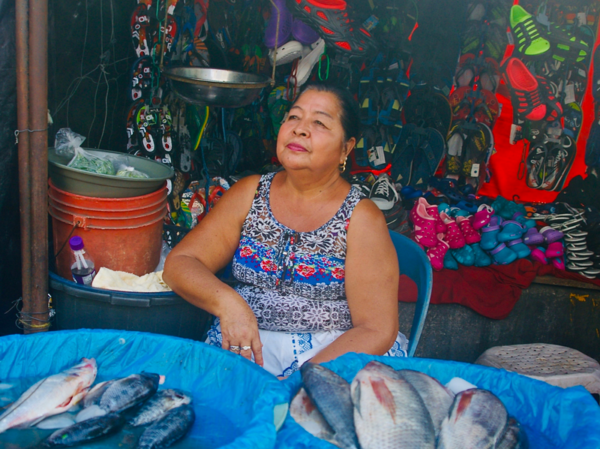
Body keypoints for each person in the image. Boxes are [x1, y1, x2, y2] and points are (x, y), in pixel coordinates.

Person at [163, 83, 407, 377]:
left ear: (346, 148)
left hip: (331, 359)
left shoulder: (361, 218)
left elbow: (376, 329)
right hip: (243, 346)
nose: (300, 129)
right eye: (293, 117)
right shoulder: (250, 193)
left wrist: (302, 379)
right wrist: (229, 304)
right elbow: (180, 263)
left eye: (319, 123)